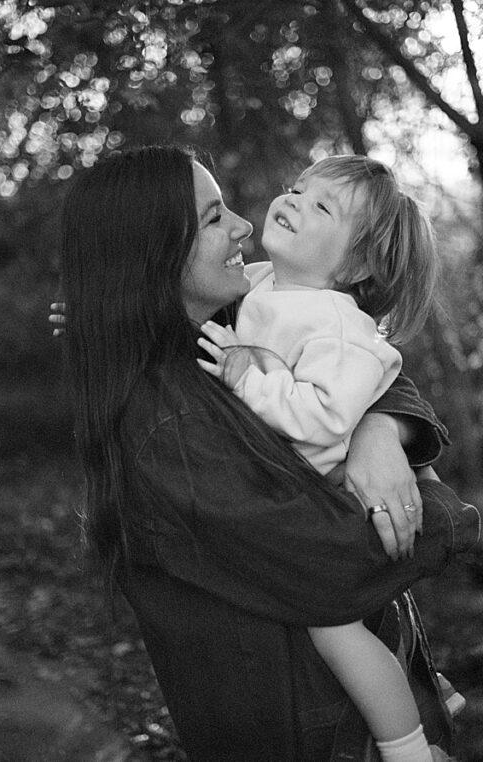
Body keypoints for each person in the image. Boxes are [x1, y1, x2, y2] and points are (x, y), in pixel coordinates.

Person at [58, 144, 483, 761]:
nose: (244, 225)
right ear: (151, 254)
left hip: (338, 714)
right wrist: (443, 507)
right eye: (214, 218)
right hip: (311, 734)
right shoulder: (171, 422)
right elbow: (338, 561)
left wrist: (381, 431)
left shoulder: (217, 334)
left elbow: (367, 364)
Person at [195, 155, 455, 761]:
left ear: (356, 265)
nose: (291, 201)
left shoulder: (339, 328)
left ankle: (409, 746)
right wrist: (106, 311)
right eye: (296, 188)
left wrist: (245, 378)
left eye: (321, 207)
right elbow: (178, 303)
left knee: (334, 628)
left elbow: (324, 421)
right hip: (283, 490)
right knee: (341, 625)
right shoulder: (262, 281)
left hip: (325, 498)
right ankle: (426, 690)